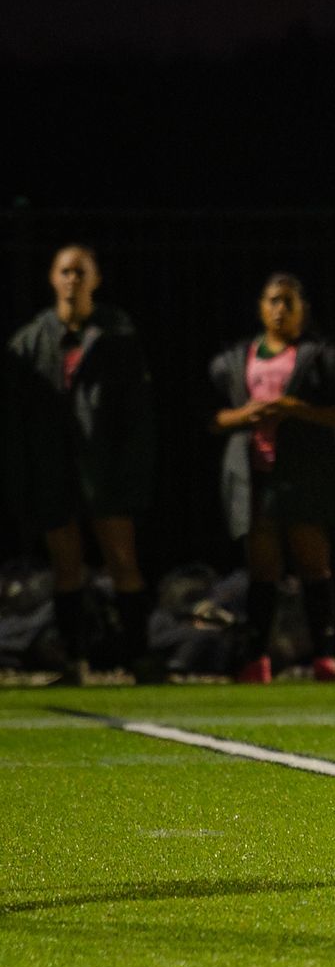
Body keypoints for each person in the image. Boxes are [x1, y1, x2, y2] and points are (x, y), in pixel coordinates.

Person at [6, 243, 156, 677]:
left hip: (104, 469)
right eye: (65, 272)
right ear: (53, 278)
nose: (72, 280)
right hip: (55, 467)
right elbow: (18, 417)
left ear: (95, 279)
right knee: (65, 564)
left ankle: (137, 655)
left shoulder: (117, 338)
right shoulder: (32, 341)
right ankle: (75, 659)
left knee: (121, 558)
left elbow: (136, 412)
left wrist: (129, 465)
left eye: (80, 272)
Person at [210, 272, 335, 682]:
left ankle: (323, 657)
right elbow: (212, 417)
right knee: (263, 567)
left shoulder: (321, 357)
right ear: (261, 307)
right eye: (273, 301)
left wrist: (296, 408)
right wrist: (247, 415)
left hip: (302, 474)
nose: (280, 310)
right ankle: (257, 658)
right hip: (256, 474)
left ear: (302, 311)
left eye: (288, 303)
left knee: (313, 561)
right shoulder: (236, 358)